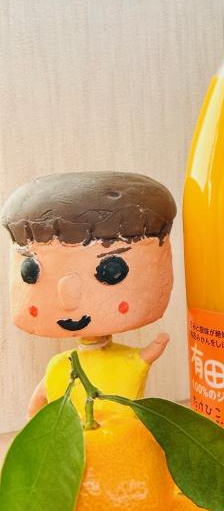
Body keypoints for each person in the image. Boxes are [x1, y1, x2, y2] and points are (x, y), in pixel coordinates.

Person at [1, 171, 176, 416]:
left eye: (111, 271)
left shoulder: (103, 361)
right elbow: (41, 396)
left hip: (122, 431)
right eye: (31, 270)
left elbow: (137, 363)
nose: (69, 302)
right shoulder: (61, 366)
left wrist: (151, 352)